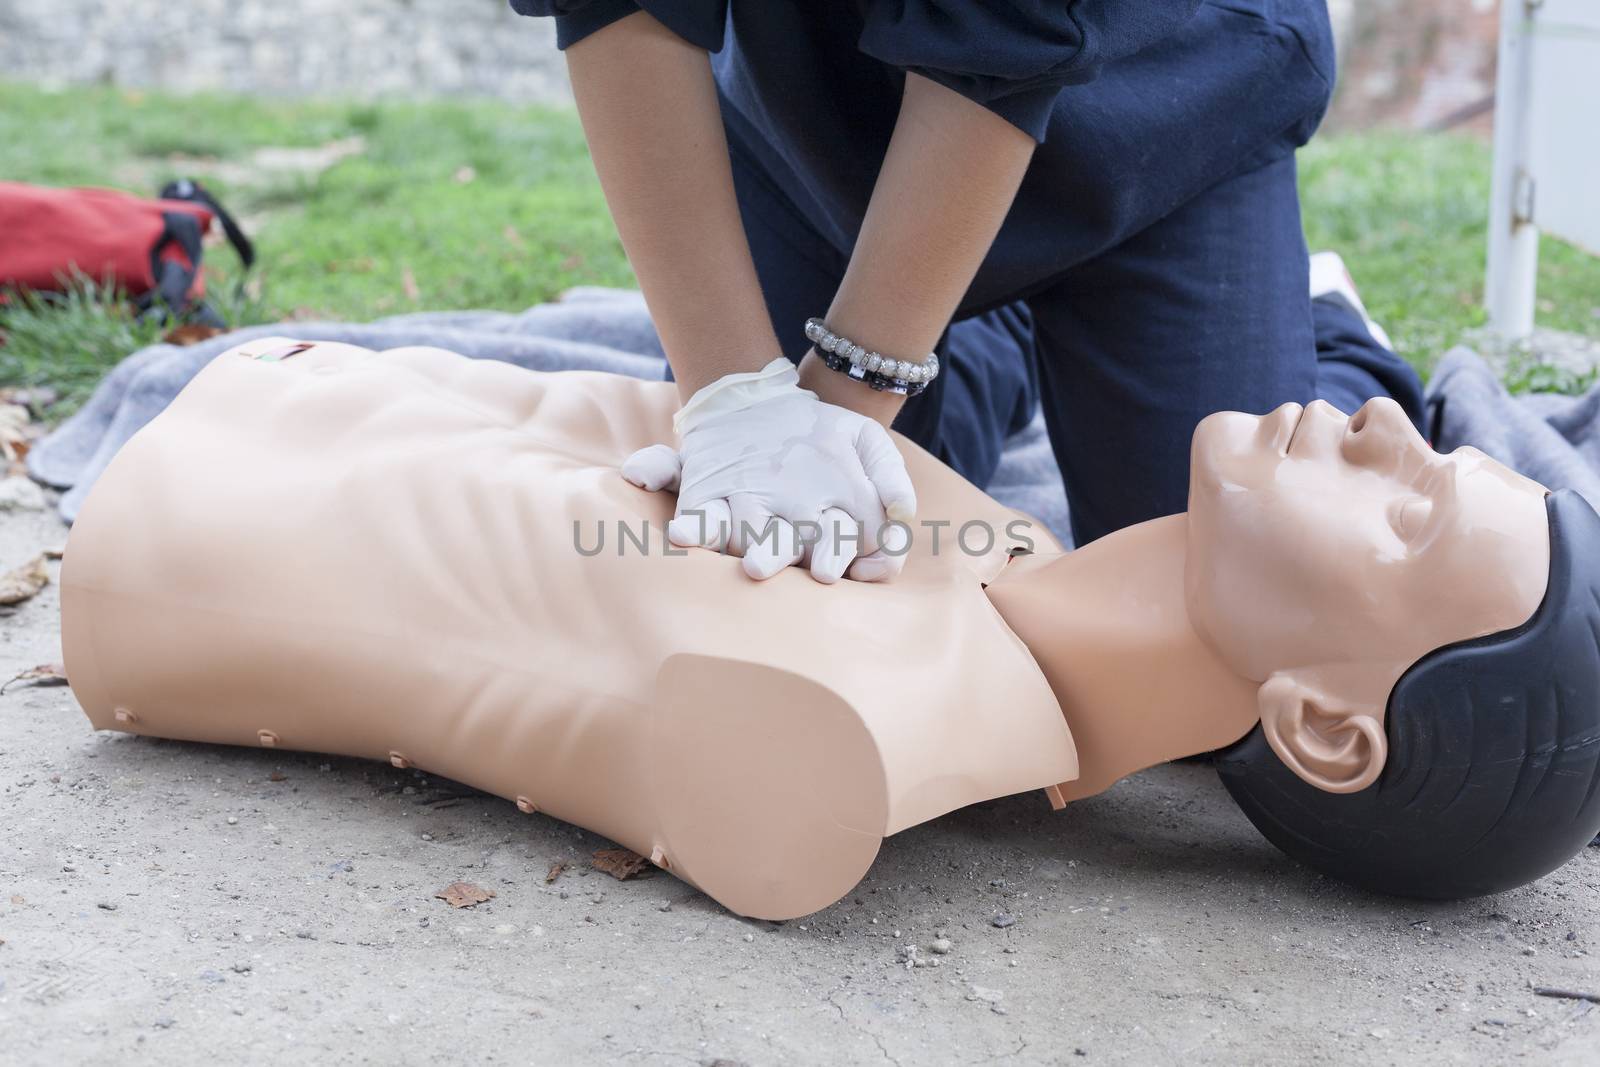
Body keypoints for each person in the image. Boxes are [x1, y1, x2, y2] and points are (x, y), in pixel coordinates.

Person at [62, 338, 1600, 917]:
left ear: (1328, 725)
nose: (1379, 430)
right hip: (289, 411)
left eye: (1415, 513)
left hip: (168, 537)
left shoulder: (861, 734)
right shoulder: (994, 553)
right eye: (1429, 447)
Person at [507, 0, 1428, 579]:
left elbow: (1003, 23)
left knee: (1223, 598)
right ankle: (987, 328)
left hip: (1161, 119)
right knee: (840, 563)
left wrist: (844, 408)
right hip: (820, 115)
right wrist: (732, 401)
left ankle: (1327, 329)